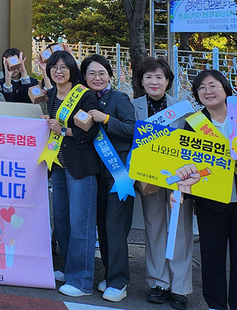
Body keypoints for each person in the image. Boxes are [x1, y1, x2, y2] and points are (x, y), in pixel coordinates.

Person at [186, 69, 237, 310]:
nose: (208, 91)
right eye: (202, 88)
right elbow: (186, 161)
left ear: (225, 88)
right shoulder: (193, 124)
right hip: (210, 201)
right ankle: (215, 304)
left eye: (213, 85)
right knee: (212, 256)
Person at [131, 56, 193, 310]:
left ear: (168, 81)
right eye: (148, 76)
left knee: (180, 230)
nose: (154, 81)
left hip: (179, 180)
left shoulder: (183, 108)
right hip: (148, 181)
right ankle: (158, 282)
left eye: (159, 77)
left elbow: (192, 144)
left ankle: (179, 286)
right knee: (154, 227)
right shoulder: (131, 106)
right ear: (141, 81)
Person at [42, 50, 99, 298]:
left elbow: (92, 132)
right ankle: (68, 268)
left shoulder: (84, 95)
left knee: (81, 225)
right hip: (59, 167)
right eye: (55, 67)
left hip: (80, 168)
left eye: (64, 67)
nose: (59, 71)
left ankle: (82, 281)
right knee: (62, 222)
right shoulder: (52, 94)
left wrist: (63, 129)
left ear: (72, 70)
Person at [81, 54, 134, 303]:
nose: (97, 78)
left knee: (115, 226)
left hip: (119, 172)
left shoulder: (119, 99)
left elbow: (133, 130)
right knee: (103, 226)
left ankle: (119, 281)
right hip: (96, 172)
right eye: (92, 73)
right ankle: (110, 273)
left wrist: (107, 119)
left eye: (101, 73)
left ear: (110, 76)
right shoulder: (83, 100)